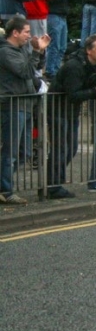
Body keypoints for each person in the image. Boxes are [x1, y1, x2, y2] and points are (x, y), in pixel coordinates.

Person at [46, 35, 96, 199]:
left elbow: (91, 88)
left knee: (71, 149)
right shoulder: (74, 67)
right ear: (88, 51)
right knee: (60, 149)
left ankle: (55, 183)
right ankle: (53, 186)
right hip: (58, 111)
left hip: (71, 112)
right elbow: (73, 94)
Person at [0, 17, 50, 204]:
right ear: (15, 32)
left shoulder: (21, 50)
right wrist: (36, 51)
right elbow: (24, 71)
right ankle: (6, 190)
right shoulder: (6, 52)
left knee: (25, 152)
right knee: (11, 151)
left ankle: (3, 185)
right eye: (27, 32)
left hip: (26, 104)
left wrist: (41, 51)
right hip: (13, 105)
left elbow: (35, 68)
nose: (30, 35)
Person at [44, 0, 86, 80]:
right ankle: (51, 71)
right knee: (55, 45)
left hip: (62, 16)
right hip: (53, 15)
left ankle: (56, 70)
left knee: (62, 47)